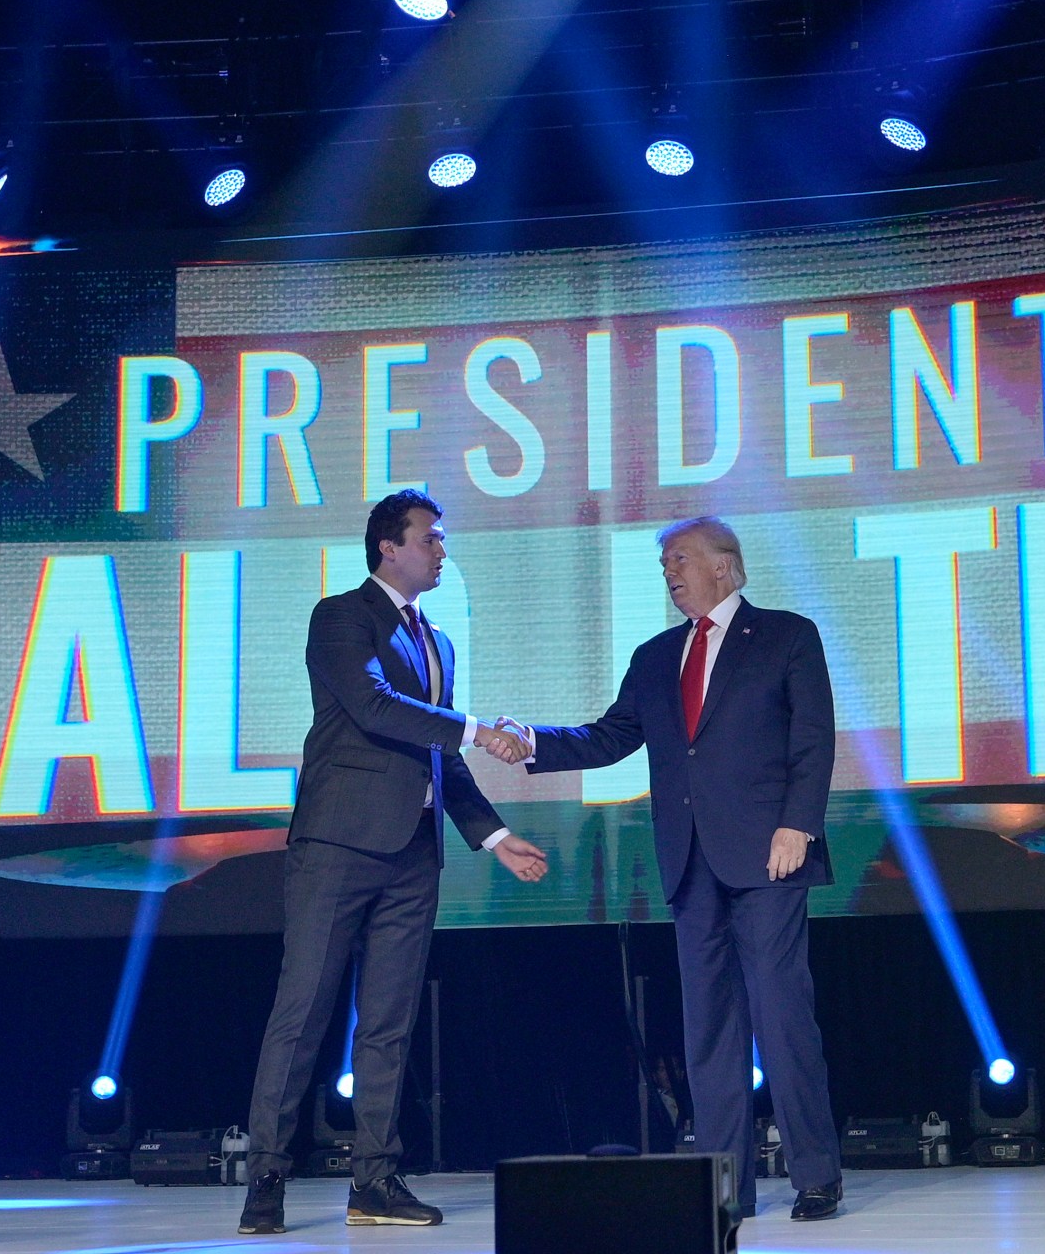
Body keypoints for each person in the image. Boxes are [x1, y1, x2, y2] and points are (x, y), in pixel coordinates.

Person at [506, 516, 843, 1220]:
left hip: (768, 856)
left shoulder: (786, 636)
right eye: (664, 562)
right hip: (690, 861)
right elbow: (609, 736)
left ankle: (816, 1176)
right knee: (709, 1031)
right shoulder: (657, 655)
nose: (670, 571)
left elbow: (812, 739)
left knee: (783, 1018)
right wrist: (533, 741)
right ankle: (726, 1185)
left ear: (726, 566)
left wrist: (799, 825)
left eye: (680, 558)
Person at [237, 490, 549, 1236]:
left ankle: (373, 1181)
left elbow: (435, 754)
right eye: (431, 539)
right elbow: (375, 710)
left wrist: (494, 836)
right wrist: (478, 729)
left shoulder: (436, 642)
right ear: (389, 547)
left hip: (413, 855)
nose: (442, 551)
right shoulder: (342, 616)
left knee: (388, 1023)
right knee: (303, 1011)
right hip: (338, 846)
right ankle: (267, 1180)